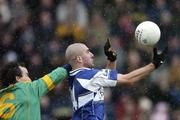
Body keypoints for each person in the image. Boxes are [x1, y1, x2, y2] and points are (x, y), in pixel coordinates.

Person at [65, 39, 168, 120]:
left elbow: (108, 79)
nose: (92, 54)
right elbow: (129, 79)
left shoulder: (75, 76)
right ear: (79, 59)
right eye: (87, 52)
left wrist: (112, 60)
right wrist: (154, 65)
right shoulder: (89, 75)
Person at [0, 62, 71, 120]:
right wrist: (70, 65)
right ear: (18, 78)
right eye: (27, 75)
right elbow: (53, 77)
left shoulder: (1, 95)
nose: (30, 79)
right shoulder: (29, 89)